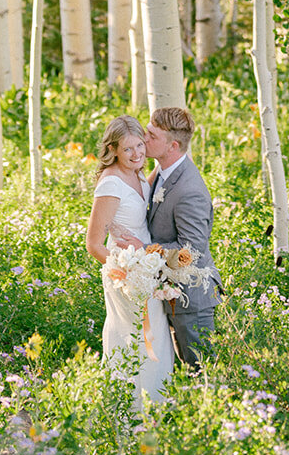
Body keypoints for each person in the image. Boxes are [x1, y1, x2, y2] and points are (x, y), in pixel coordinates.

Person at [85, 116, 174, 408]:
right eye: (128, 149)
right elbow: (94, 244)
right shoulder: (111, 182)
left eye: (139, 145)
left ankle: (156, 407)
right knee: (132, 337)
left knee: (156, 335)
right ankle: (128, 411)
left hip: (146, 269)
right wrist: (126, 273)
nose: (137, 154)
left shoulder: (136, 174)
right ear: (113, 150)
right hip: (125, 274)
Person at [144, 106, 221, 368]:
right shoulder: (164, 172)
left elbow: (192, 251)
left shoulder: (189, 190)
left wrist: (142, 250)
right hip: (173, 295)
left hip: (192, 299)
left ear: (173, 146)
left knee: (203, 374)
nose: (145, 139)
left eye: (152, 136)